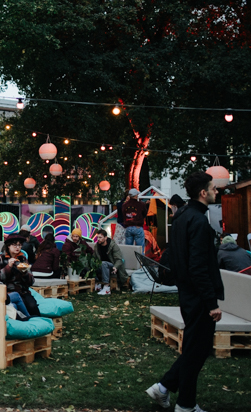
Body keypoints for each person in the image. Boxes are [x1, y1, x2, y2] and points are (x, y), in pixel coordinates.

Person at [145, 172, 224, 412]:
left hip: (187, 292)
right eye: (214, 188)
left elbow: (175, 256)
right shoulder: (198, 222)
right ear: (203, 192)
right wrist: (211, 302)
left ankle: (166, 389)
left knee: (194, 349)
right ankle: (185, 404)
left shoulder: (180, 218)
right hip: (199, 295)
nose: (217, 192)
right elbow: (199, 266)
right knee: (196, 352)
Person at [0, 233, 40, 317]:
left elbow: (31, 281)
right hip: (9, 292)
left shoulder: (23, 259)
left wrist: (24, 272)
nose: (18, 247)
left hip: (23, 291)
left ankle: (37, 325)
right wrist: (8, 266)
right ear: (8, 246)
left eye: (19, 245)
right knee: (22, 306)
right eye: (15, 245)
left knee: (32, 306)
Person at [93, 229, 129, 295]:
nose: (98, 239)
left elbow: (119, 259)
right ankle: (97, 284)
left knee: (104, 263)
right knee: (91, 265)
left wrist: (115, 267)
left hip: (112, 265)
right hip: (101, 265)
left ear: (105, 238)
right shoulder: (97, 246)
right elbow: (94, 258)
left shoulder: (113, 246)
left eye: (100, 237)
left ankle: (107, 287)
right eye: (97, 237)